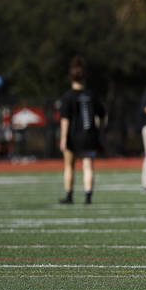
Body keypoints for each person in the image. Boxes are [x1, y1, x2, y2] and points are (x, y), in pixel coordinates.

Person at [58, 56, 106, 204]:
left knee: (69, 166)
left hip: (73, 135)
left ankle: (69, 196)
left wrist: (63, 137)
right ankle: (88, 196)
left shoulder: (67, 96)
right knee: (88, 166)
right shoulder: (92, 95)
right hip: (89, 134)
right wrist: (100, 131)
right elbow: (102, 115)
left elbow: (65, 119)